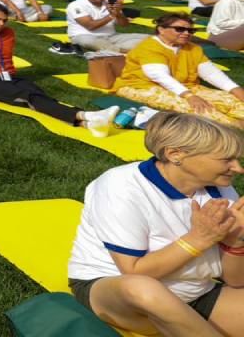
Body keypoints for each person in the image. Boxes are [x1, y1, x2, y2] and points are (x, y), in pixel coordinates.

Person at [66, 112, 244, 337]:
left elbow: (237, 281)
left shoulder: (220, 188)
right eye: (226, 159)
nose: (238, 168)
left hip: (193, 292)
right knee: (142, 288)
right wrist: (199, 239)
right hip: (118, 292)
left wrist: (236, 241)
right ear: (175, 154)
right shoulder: (120, 187)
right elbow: (133, 272)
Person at [0, 5, 117, 134]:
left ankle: (86, 124)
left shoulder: (9, 33)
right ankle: (85, 115)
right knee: (29, 98)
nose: (0, 24)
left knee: (37, 92)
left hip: (9, 77)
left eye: (4, 20)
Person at [111, 13, 244, 127]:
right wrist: (189, 96)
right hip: (142, 86)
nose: (186, 33)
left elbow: (210, 73)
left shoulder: (193, 48)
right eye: (180, 29)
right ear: (161, 29)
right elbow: (160, 76)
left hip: (185, 86)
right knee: (196, 107)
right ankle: (234, 125)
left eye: (190, 31)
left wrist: (235, 89)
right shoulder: (149, 47)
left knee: (230, 100)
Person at [66, 0, 147, 53]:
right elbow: (90, 26)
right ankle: (122, 50)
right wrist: (111, 16)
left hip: (112, 36)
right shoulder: (76, 5)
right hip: (85, 36)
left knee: (150, 38)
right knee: (92, 42)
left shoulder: (109, 4)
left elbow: (124, 25)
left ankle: (117, 48)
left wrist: (118, 13)